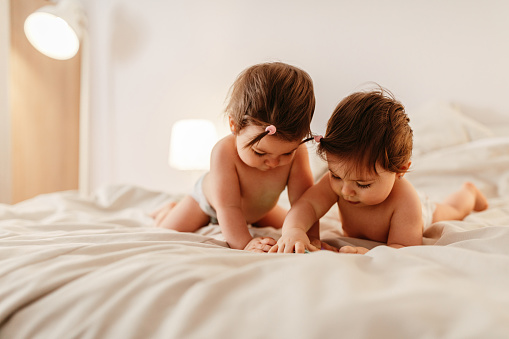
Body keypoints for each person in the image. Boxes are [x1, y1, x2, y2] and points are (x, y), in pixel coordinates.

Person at [270, 87, 488, 254]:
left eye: (363, 184)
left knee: (452, 209)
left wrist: (364, 252)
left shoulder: (405, 201)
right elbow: (306, 206)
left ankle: (469, 193)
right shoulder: (338, 183)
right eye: (336, 175)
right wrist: (294, 231)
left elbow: (403, 248)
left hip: (423, 212)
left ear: (399, 171)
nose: (346, 191)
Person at [152, 62, 331, 253]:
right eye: (260, 153)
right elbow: (228, 208)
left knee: (293, 223)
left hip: (260, 209)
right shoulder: (223, 152)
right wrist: (245, 243)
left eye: (286, 153)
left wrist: (311, 239)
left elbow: (303, 204)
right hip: (209, 204)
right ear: (234, 125)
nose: (273, 162)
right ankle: (167, 210)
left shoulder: (298, 154)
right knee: (166, 230)